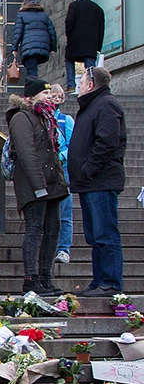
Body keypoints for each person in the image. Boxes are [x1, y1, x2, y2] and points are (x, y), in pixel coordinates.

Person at [6, 78, 69, 295]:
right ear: (31, 97)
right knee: (34, 230)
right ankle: (31, 279)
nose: (49, 97)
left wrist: (59, 182)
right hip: (34, 185)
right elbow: (26, 153)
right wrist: (39, 185)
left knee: (53, 230)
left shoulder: (46, 117)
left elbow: (52, 152)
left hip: (51, 184)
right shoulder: (22, 117)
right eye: (45, 94)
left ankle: (45, 277)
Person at [68, 67, 126, 297]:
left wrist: (87, 169)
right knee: (94, 235)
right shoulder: (92, 106)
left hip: (100, 181)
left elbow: (107, 142)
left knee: (105, 233)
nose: (79, 86)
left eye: (81, 82)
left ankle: (110, 281)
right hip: (89, 182)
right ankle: (100, 279)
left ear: (91, 84)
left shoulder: (106, 105)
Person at [50, 84, 75, 264]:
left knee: (65, 210)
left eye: (60, 96)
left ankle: (64, 248)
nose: (57, 99)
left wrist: (61, 157)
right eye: (53, 95)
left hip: (63, 167)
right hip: (46, 167)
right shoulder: (42, 118)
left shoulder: (66, 120)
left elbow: (73, 144)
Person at [64, 0, 105, 92]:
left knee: (69, 60)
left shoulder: (74, 6)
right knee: (90, 66)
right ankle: (90, 86)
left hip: (75, 41)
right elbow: (101, 29)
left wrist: (69, 36)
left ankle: (71, 84)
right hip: (91, 43)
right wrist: (98, 46)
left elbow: (69, 22)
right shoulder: (98, 9)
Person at [11, 0, 58, 79]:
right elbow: (52, 32)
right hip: (43, 48)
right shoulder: (44, 16)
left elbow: (18, 32)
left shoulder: (22, 15)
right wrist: (52, 48)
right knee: (34, 69)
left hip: (29, 47)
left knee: (32, 72)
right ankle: (36, 87)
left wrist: (14, 48)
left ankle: (34, 90)